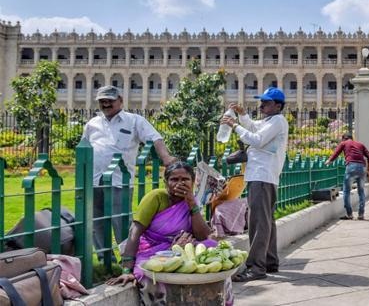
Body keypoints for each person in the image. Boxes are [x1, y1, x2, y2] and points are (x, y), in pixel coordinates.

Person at [106, 161, 232, 306]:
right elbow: (135, 231)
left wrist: (191, 203)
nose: (179, 183)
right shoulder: (156, 197)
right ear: (166, 182)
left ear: (193, 182)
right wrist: (127, 269)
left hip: (183, 247)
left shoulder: (192, 199)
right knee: (146, 274)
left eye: (185, 179)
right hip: (153, 249)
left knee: (215, 252)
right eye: (174, 179)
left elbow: (203, 236)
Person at [81, 85, 177, 258]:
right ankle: (105, 259)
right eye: (102, 101)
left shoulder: (134, 121)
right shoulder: (92, 124)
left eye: (110, 100)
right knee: (96, 222)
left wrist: (166, 157)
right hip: (94, 179)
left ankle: (128, 258)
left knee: (121, 222)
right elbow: (84, 147)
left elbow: (155, 138)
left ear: (120, 101)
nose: (106, 104)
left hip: (120, 179)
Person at [220, 87, 289, 282]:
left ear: (277, 106)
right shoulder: (270, 121)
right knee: (266, 221)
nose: (262, 105)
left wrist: (234, 125)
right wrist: (242, 116)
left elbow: (256, 139)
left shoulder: (277, 121)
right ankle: (269, 261)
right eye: (262, 102)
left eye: (266, 103)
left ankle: (256, 268)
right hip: (262, 175)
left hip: (262, 176)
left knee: (258, 222)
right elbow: (254, 127)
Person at [325, 134, 369, 220]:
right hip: (362, 168)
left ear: (344, 139)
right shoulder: (360, 144)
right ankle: (361, 214)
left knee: (346, 191)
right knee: (361, 191)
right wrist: (368, 170)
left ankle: (349, 214)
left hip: (351, 167)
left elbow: (336, 153)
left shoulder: (344, 143)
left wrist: (329, 161)